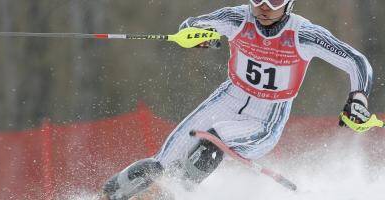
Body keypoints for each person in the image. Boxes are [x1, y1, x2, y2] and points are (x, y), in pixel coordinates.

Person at [102, 0, 373, 199]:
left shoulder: (303, 33)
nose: (264, 7)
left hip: (265, 117)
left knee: (212, 140)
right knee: (160, 164)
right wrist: (195, 36)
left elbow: (356, 61)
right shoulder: (238, 18)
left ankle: (175, 195)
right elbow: (194, 24)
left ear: (289, 4)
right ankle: (108, 195)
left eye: (274, 1)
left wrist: (358, 98)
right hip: (228, 98)